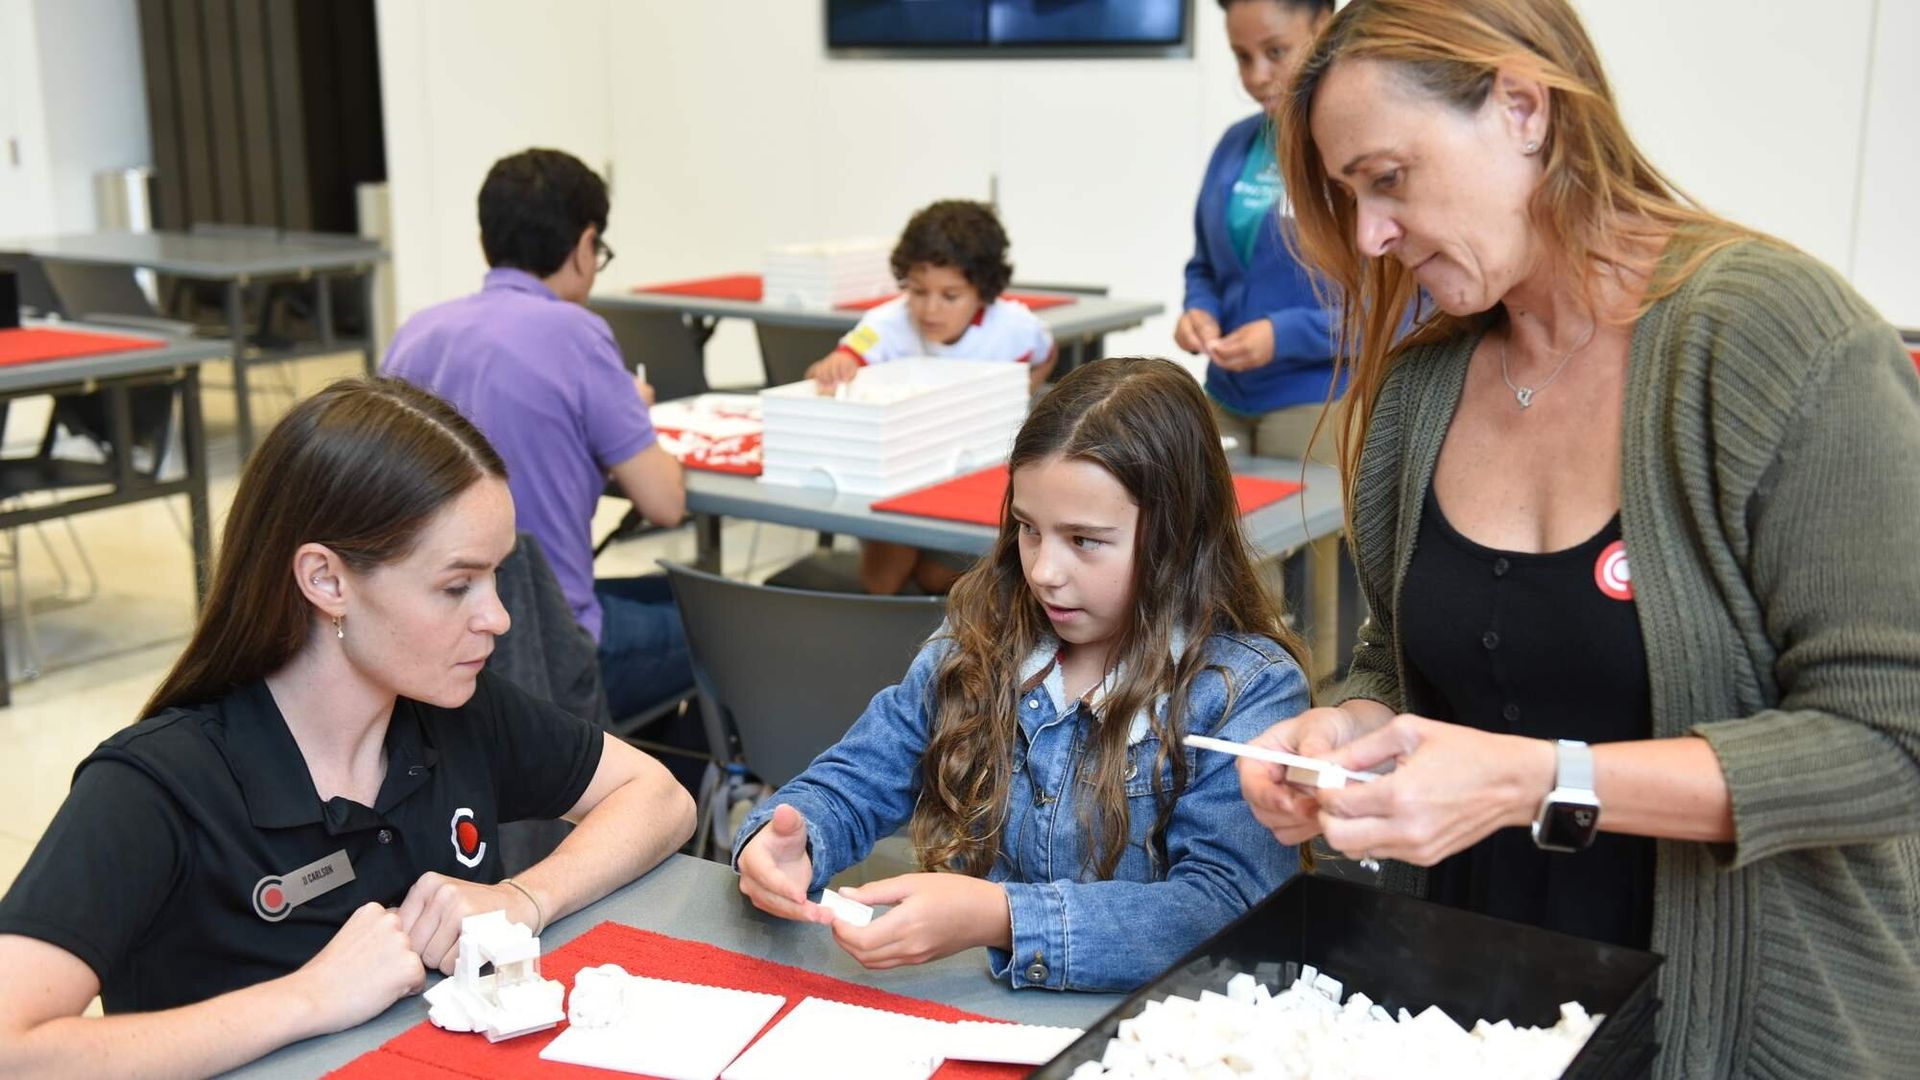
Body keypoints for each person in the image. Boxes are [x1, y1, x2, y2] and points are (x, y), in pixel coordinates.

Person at [1237, 0, 1920, 1075]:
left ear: (1522, 107)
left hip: (1735, 1032)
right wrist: (1344, 734)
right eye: (1348, 195)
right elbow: (1401, 662)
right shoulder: (1423, 389)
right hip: (1467, 1015)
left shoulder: (1774, 341)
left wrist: (1539, 779)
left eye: (1388, 177)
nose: (1369, 234)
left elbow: (1892, 744)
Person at [0, 378, 694, 1078]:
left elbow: (659, 797)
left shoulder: (455, 711)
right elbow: (11, 1046)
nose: (498, 617)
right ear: (327, 581)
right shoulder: (157, 786)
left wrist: (523, 898)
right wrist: (306, 998)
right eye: (457, 586)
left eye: (495, 579)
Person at [735, 357, 1308, 992]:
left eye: (1085, 540)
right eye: (1028, 530)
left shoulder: (1246, 691)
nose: (1042, 571)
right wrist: (794, 836)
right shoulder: (980, 639)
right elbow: (861, 775)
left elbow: (1224, 911)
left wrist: (1003, 918)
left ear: (1179, 536)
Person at [384, 148, 698, 751]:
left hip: (426, 641)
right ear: (584, 245)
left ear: (485, 241)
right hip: (553, 646)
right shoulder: (575, 334)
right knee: (724, 626)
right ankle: (677, 789)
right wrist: (626, 406)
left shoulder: (415, 333)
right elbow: (665, 504)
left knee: (669, 596)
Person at [807, 199, 1061, 596]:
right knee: (881, 581)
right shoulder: (887, 323)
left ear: (983, 291)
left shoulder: (1014, 326)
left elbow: (1046, 353)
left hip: (975, 472)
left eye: (950, 295)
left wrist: (1021, 392)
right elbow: (843, 358)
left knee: (940, 577)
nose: (929, 309)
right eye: (917, 291)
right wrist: (835, 365)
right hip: (902, 475)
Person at [1176, 0, 1341, 462]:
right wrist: (1200, 311)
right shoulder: (1236, 144)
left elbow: (1402, 311)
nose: (1255, 76)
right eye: (1242, 57)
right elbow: (1205, 265)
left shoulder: (1355, 148)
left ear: (1326, 27)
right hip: (1225, 396)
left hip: (1320, 403)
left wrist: (1283, 335)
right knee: (1205, 532)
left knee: (1304, 535)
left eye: (1276, 51)